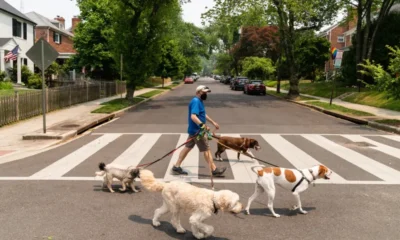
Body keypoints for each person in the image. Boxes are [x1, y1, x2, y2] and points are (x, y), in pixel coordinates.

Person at [172, 85, 227, 176]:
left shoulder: (199, 101)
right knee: (206, 150)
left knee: (187, 148)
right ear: (198, 92)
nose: (205, 94)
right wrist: (203, 126)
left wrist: (213, 122)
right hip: (198, 132)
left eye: (206, 93)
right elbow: (193, 116)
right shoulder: (196, 101)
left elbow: (203, 114)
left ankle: (176, 167)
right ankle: (214, 170)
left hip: (194, 130)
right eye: (204, 92)